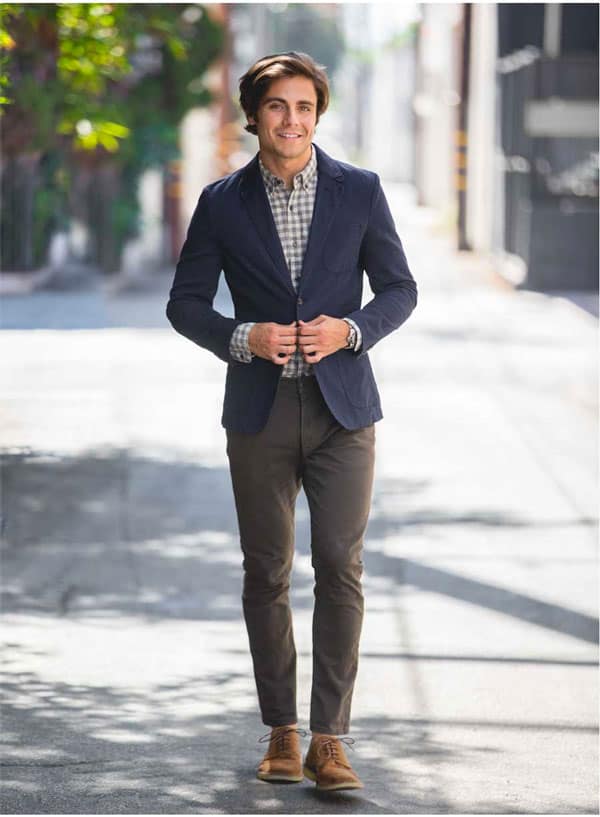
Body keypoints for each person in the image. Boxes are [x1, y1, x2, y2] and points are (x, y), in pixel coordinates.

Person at [166, 51, 417, 793]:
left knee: (341, 566)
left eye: (305, 106)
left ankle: (330, 739)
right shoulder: (221, 201)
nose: (293, 119)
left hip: (344, 410)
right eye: (278, 106)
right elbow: (184, 302)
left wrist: (354, 330)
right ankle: (282, 729)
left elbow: (400, 288)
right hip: (260, 410)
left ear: (318, 113)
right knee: (266, 571)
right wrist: (244, 337)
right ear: (254, 116)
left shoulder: (361, 191)